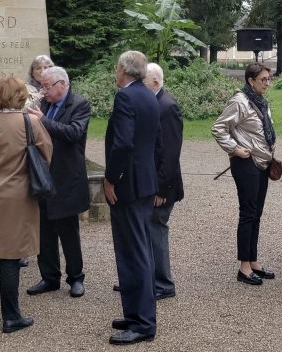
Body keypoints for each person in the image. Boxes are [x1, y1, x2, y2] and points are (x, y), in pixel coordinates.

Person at [0, 76, 51, 333]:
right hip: (16, 196)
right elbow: (46, 155)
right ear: (21, 96)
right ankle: (11, 317)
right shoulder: (30, 122)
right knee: (11, 256)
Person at [104, 51, 161, 345]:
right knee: (138, 251)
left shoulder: (126, 97)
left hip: (129, 186)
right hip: (144, 183)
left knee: (133, 254)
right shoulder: (149, 95)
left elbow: (123, 144)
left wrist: (112, 178)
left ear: (124, 69)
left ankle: (142, 323)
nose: (115, 72)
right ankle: (135, 313)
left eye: (116, 68)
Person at [26, 66, 91, 299]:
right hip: (42, 176)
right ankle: (49, 277)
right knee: (44, 230)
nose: (43, 91)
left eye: (47, 86)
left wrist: (43, 121)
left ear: (62, 84)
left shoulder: (79, 104)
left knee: (68, 232)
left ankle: (76, 278)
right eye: (41, 86)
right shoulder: (42, 104)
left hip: (67, 178)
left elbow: (74, 133)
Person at [211, 63, 277, 287]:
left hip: (263, 162)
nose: (267, 83)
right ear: (251, 80)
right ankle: (244, 267)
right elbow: (218, 128)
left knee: (256, 213)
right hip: (246, 163)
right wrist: (235, 149)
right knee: (248, 213)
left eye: (269, 79)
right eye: (263, 79)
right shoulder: (239, 101)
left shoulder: (260, 100)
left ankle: (254, 260)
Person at [146, 63, 185, 301]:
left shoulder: (167, 107)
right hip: (151, 183)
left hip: (162, 187)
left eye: (144, 82)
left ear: (156, 82)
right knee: (147, 231)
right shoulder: (154, 103)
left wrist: (162, 188)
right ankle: (146, 278)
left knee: (156, 231)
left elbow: (170, 153)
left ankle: (163, 283)